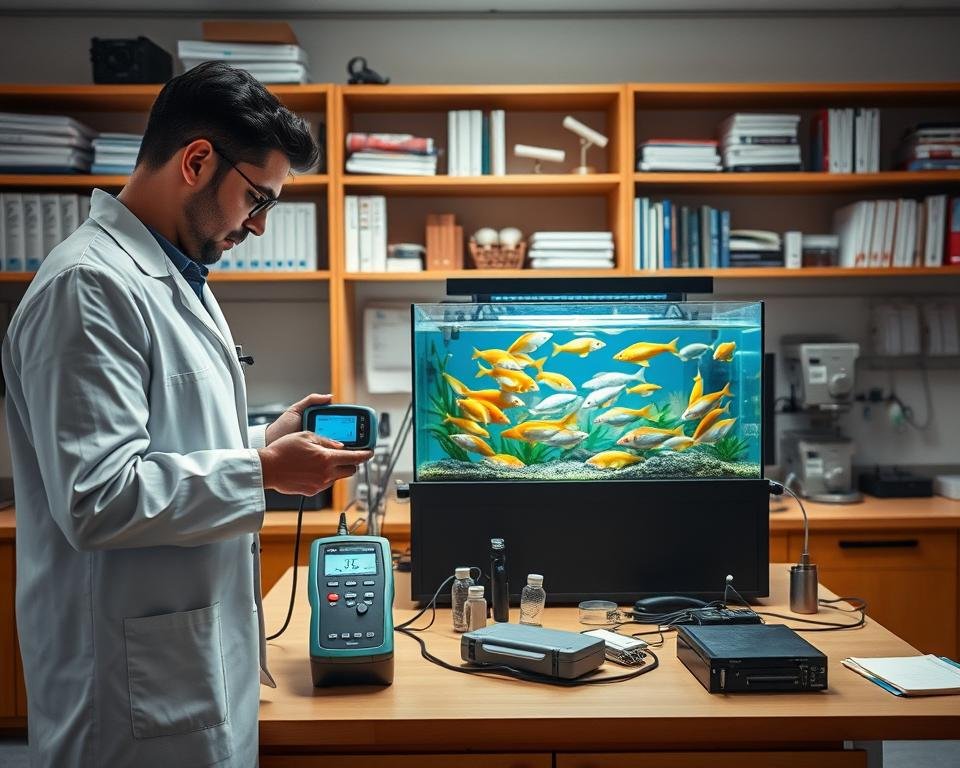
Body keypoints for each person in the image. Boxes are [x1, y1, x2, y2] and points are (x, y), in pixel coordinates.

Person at [1, 62, 373, 767]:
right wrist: (261, 470)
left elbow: (168, 444)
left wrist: (263, 442)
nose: (258, 227)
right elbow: (98, 499)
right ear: (198, 160)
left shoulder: (174, 277)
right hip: (125, 690)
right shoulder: (89, 287)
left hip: (182, 665)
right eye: (256, 199)